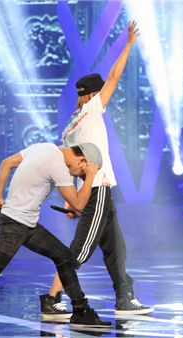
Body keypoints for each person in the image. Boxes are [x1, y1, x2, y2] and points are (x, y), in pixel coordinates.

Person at [41, 21, 153, 316]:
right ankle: (51, 298)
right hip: (98, 189)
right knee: (79, 250)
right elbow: (115, 75)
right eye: (100, 92)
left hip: (92, 189)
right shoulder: (91, 110)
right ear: (91, 95)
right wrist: (128, 44)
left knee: (116, 249)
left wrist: (69, 198)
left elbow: (67, 166)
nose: (105, 95)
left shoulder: (69, 127)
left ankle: (124, 298)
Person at [0, 142, 111, 327]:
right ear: (82, 161)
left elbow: (6, 163)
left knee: (63, 256)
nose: (80, 176)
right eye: (83, 173)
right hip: (15, 226)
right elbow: (78, 205)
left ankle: (81, 310)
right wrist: (92, 175)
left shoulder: (44, 147)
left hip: (25, 224)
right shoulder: (57, 165)